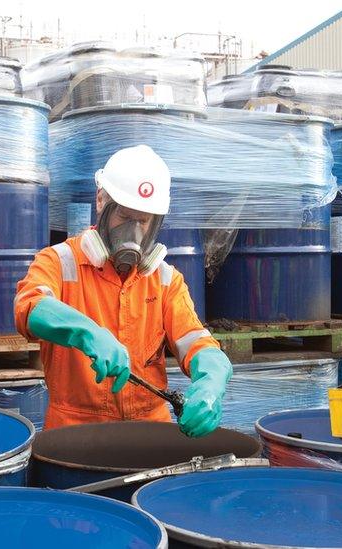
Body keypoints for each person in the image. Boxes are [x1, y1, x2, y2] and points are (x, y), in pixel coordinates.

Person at [14, 144, 232, 436]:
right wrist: (86, 332)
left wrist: (211, 381)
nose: (134, 233)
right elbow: (30, 307)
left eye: (143, 221)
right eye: (125, 218)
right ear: (101, 201)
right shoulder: (59, 261)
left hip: (150, 432)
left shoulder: (165, 279)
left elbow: (196, 342)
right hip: (75, 434)